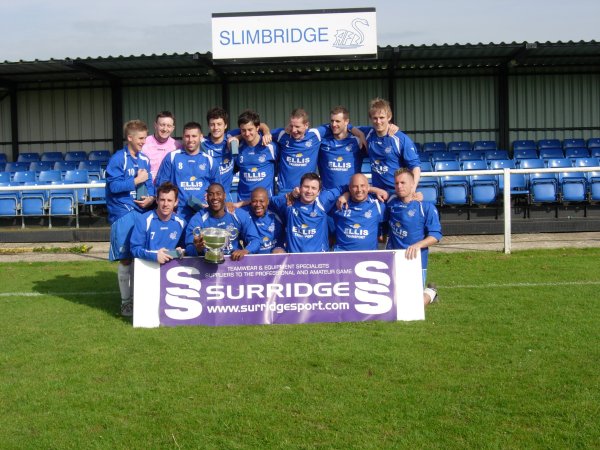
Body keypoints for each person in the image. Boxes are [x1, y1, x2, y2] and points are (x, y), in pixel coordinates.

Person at [105, 119, 156, 317]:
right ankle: (126, 302)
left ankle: (138, 298)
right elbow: (113, 187)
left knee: (139, 257)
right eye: (141, 138)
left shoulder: (145, 159)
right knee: (126, 259)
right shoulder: (118, 159)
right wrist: (136, 180)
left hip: (142, 213)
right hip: (123, 213)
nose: (144, 141)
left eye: (145, 137)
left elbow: (150, 184)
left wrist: (150, 198)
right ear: (130, 138)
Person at [269, 172, 385, 253]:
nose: (309, 191)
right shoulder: (289, 201)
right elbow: (264, 201)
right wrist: (289, 194)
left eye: (313, 188)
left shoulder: (322, 201)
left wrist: (348, 194)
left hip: (320, 260)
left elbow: (346, 187)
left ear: (319, 191)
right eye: (306, 187)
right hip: (294, 260)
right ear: (299, 188)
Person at [385, 168, 442, 305]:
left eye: (403, 183)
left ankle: (431, 292)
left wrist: (417, 245)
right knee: (390, 301)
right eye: (397, 183)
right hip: (393, 256)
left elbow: (436, 235)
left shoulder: (426, 207)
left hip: (416, 259)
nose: (399, 186)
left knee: (413, 305)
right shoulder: (391, 202)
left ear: (412, 184)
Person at [155, 121, 221, 222]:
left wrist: (210, 201)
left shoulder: (210, 161)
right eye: (187, 136)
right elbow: (161, 185)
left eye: (194, 136)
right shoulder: (172, 157)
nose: (190, 140)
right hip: (177, 213)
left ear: (201, 137)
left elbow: (218, 188)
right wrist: (169, 206)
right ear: (183, 137)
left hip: (203, 213)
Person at [357, 98, 421, 194]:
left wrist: (412, 190)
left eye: (382, 117)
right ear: (370, 118)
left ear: (389, 117)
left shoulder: (401, 139)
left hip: (397, 193)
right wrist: (360, 135)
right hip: (378, 194)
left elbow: (415, 167)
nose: (378, 121)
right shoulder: (368, 133)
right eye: (375, 118)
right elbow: (345, 126)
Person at [185, 183, 261, 261]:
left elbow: (255, 240)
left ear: (224, 196)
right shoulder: (198, 219)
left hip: (233, 262)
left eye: (218, 194)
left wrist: (246, 251)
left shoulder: (239, 215)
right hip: (207, 264)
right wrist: (197, 249)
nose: (215, 197)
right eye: (211, 194)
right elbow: (189, 247)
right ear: (206, 197)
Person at [130, 182, 186, 264]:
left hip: (172, 269)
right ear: (156, 200)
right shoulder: (143, 220)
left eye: (169, 200)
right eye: (162, 200)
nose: (165, 204)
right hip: (148, 266)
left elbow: (186, 248)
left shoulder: (181, 223)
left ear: (176, 202)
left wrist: (182, 251)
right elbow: (134, 249)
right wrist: (155, 255)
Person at [332, 173, 386, 251]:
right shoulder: (339, 203)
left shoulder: (378, 204)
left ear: (368, 187)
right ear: (349, 188)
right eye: (355, 186)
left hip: (369, 257)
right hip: (342, 256)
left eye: (362, 186)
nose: (359, 190)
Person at [235, 110, 278, 201]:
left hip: (265, 202)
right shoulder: (237, 147)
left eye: (250, 130)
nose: (247, 134)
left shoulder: (270, 147)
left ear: (257, 128)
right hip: (243, 201)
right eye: (243, 130)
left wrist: (266, 131)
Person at [317, 106, 364, 190]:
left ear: (346, 121)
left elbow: (377, 131)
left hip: (350, 194)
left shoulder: (356, 140)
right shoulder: (323, 142)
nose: (334, 124)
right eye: (332, 121)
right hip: (327, 195)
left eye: (337, 121)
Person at [200, 107, 236, 198]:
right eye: (212, 124)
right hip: (209, 196)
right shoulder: (201, 144)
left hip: (227, 196)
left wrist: (267, 132)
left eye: (219, 124)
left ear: (225, 125)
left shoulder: (231, 139)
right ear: (208, 126)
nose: (216, 128)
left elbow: (255, 127)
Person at [243, 187, 285, 254]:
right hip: (253, 259)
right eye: (254, 201)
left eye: (261, 201)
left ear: (268, 201)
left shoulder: (277, 214)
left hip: (275, 257)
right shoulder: (244, 215)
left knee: (279, 252)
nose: (258, 205)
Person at [142, 111, 180, 183]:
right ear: (155, 125)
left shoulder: (177, 146)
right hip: (146, 189)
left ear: (173, 128)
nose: (165, 129)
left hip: (167, 190)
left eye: (169, 126)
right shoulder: (144, 143)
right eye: (162, 125)